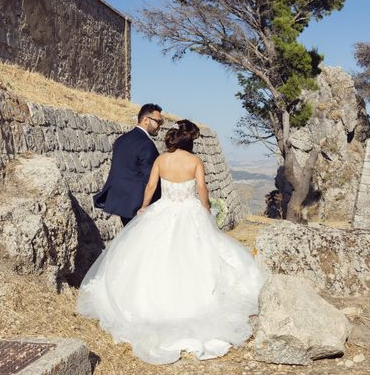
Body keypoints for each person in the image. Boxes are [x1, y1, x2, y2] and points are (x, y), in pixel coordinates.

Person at [77, 120, 265, 365]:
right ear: (190, 141)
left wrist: (144, 207)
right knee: (196, 257)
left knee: (151, 257)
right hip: (189, 212)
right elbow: (201, 187)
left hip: (162, 210)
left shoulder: (161, 160)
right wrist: (206, 209)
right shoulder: (195, 162)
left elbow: (151, 185)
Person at [93, 103, 163, 226]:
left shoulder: (121, 140)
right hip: (138, 203)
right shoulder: (146, 144)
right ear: (146, 120)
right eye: (158, 122)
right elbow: (150, 178)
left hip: (121, 201)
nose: (159, 126)